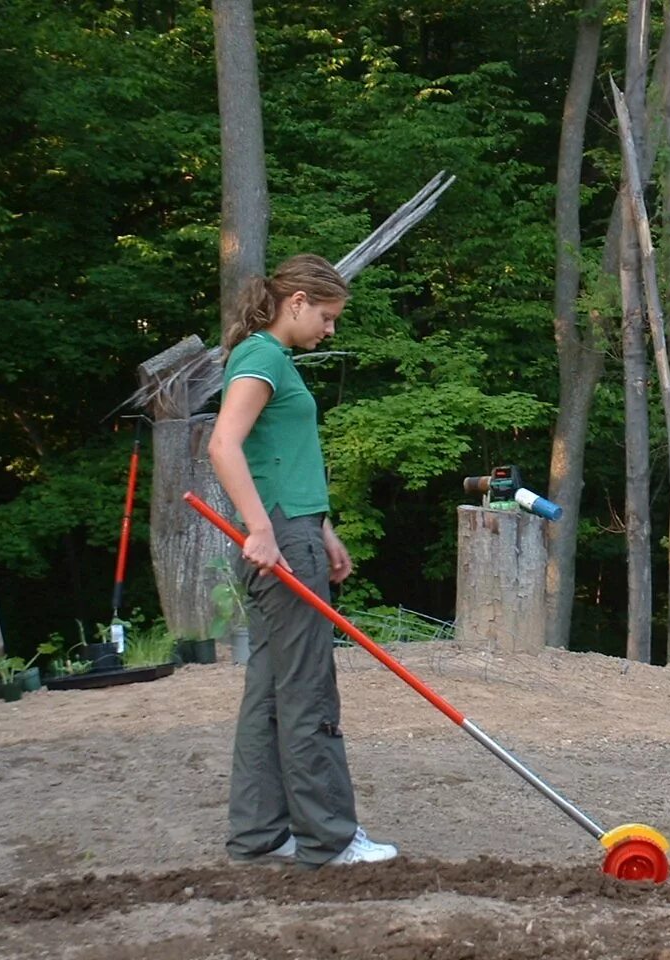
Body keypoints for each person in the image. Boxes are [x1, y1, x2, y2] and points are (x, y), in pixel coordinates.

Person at [207, 253, 398, 868]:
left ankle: (260, 835)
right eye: (327, 315)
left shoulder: (271, 360)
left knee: (269, 691)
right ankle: (330, 839)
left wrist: (323, 527)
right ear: (296, 302)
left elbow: (278, 456)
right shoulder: (262, 358)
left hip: (294, 530)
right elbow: (223, 445)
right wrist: (262, 529)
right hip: (281, 541)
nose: (330, 329)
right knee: (307, 690)